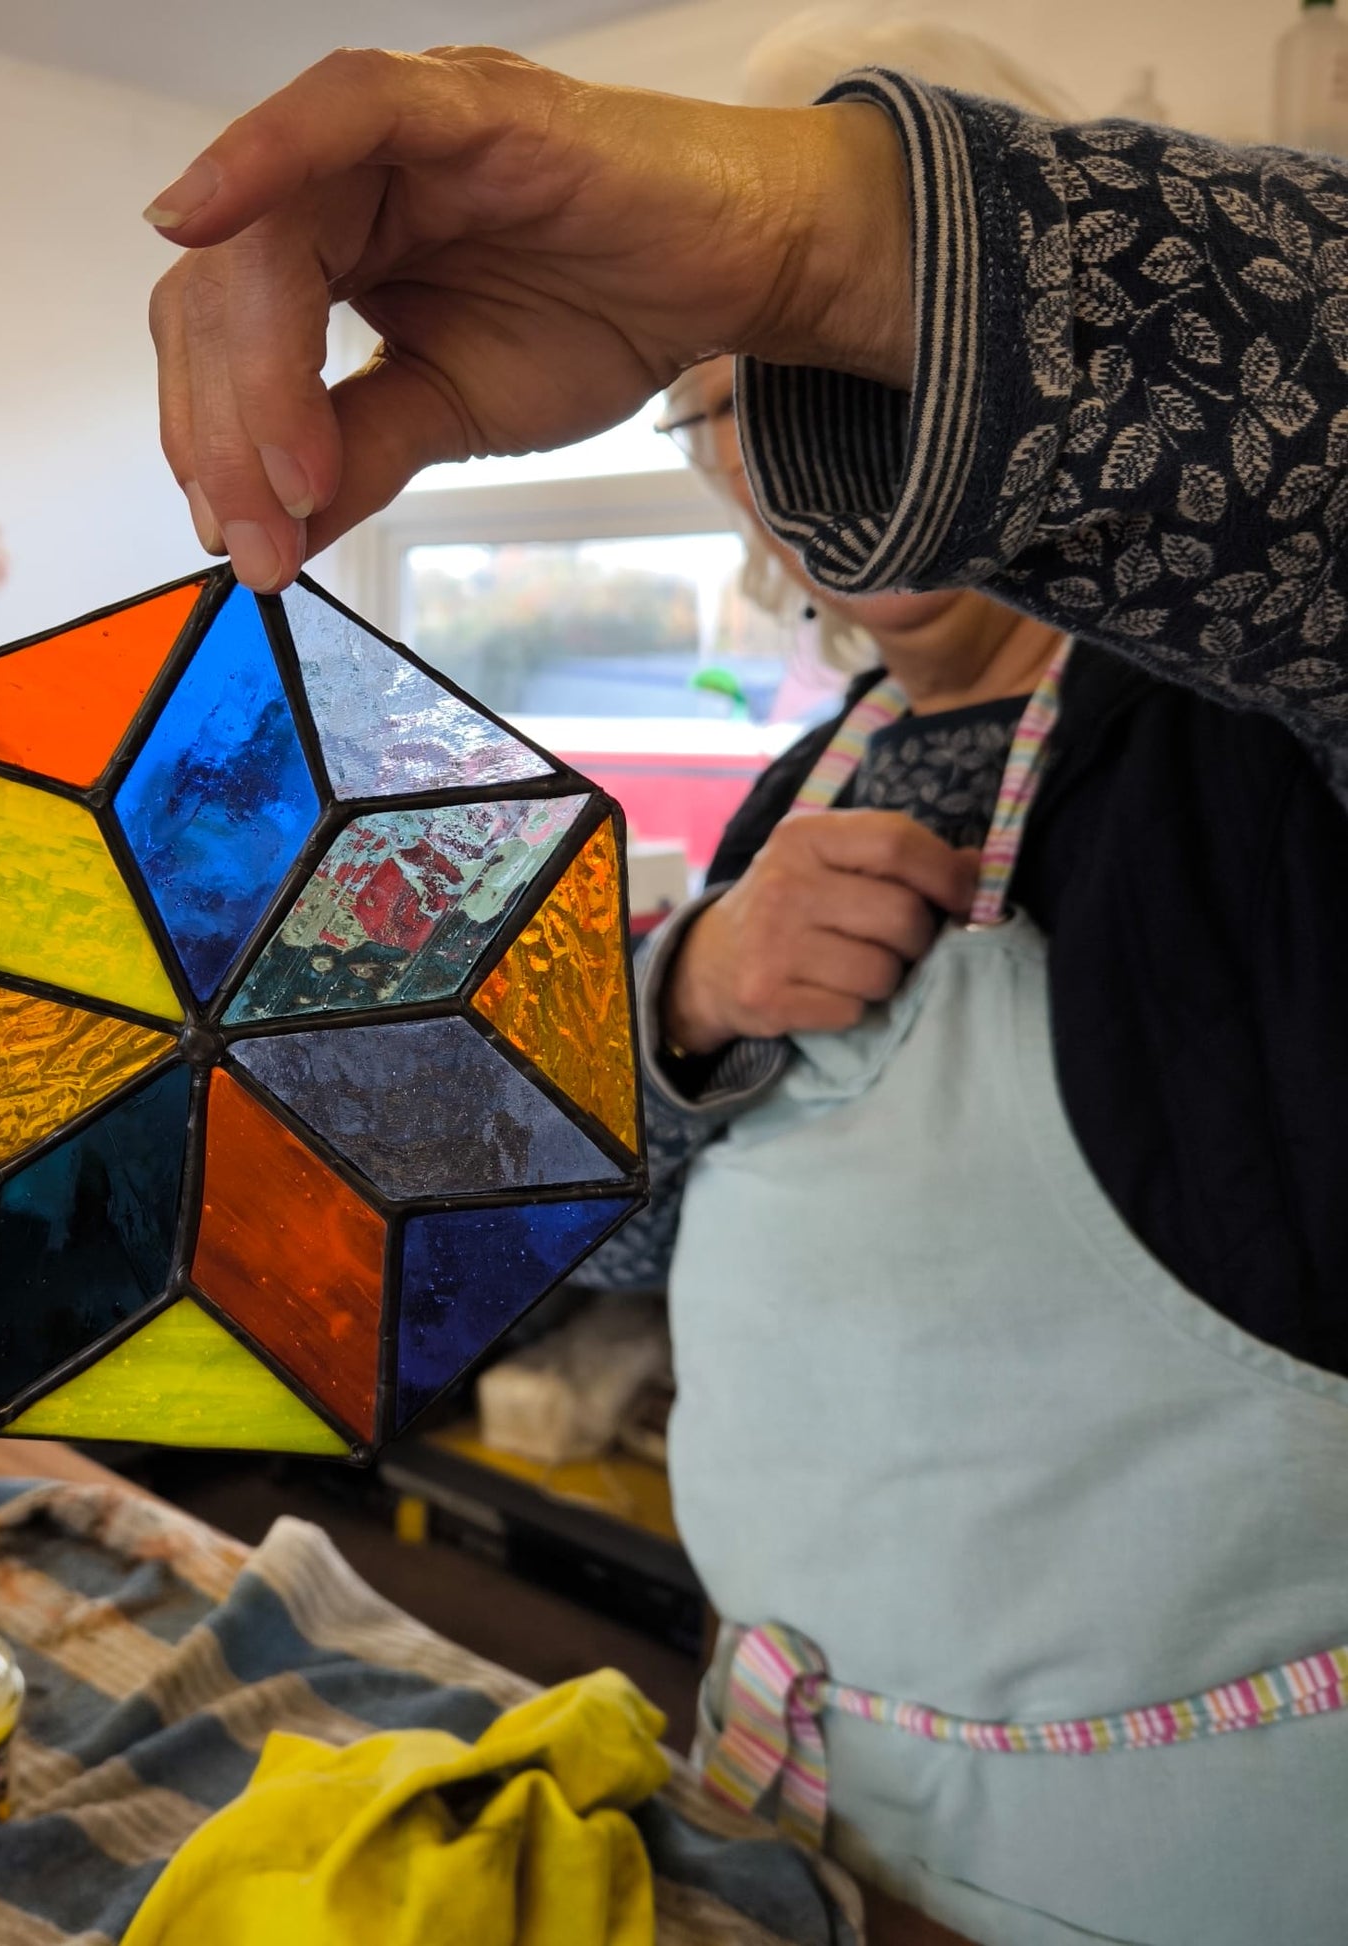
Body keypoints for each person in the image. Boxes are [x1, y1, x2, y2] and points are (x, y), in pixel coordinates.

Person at [144, 44, 1348, 1946]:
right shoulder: (816, 767)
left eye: (828, 378)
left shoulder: (1266, 750)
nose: (790, 469)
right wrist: (681, 994)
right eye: (725, 411)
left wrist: (832, 243)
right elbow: (602, 1246)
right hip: (775, 1810)